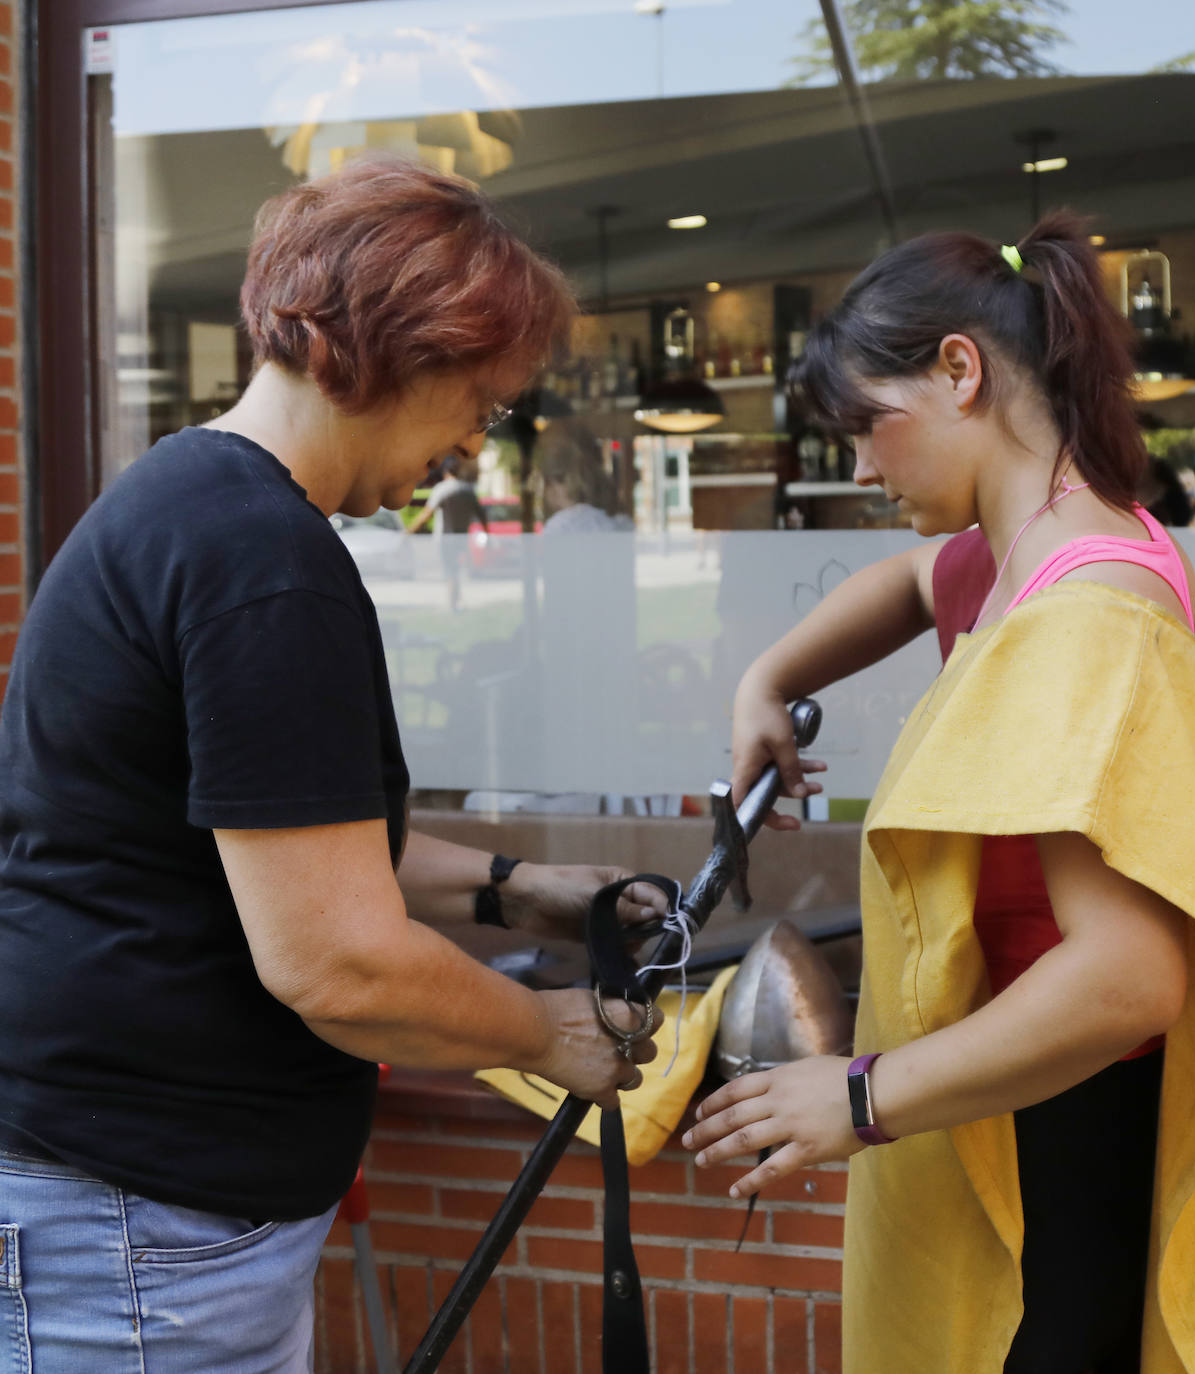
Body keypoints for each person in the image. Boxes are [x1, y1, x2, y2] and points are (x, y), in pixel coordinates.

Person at [0, 156, 665, 1371]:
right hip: (138, 1224)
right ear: (409, 346)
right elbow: (336, 959)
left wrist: (525, 888)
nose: (475, 445)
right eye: (485, 400)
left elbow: (296, 836)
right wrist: (540, 1027)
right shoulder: (262, 560)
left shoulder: (187, 505)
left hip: (131, 1209)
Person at [682, 213, 1195, 1373]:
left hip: (1070, 1119)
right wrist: (769, 677)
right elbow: (912, 582)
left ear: (960, 370)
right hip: (1002, 1090)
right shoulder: (1016, 559)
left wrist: (856, 1097)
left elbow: (1126, 979)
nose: (858, 467)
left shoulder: (1087, 613)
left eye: (869, 425)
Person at [405, 453, 489, 612]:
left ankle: (453, 604)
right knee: (455, 570)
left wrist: (408, 532)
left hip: (445, 538)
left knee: (450, 571)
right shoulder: (467, 490)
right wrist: (488, 533)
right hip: (461, 537)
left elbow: (426, 514)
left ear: (445, 473)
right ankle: (457, 600)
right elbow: (482, 515)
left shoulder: (442, 489)